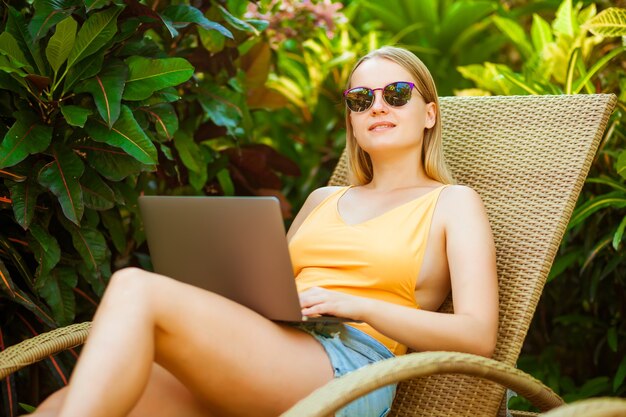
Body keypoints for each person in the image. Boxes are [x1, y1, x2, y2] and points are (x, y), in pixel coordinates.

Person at [29, 46, 498, 417]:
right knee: (63, 406)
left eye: (396, 93)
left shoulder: (454, 203)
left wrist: (355, 304)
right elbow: (270, 290)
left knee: (134, 286)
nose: (377, 106)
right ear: (353, 122)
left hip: (350, 370)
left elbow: (478, 335)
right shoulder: (323, 199)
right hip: (277, 345)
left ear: (430, 113)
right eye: (361, 99)